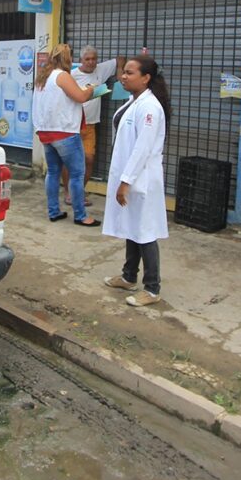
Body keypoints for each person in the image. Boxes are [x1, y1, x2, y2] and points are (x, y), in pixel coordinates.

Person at [102, 54, 172, 306]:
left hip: (140, 179)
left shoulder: (150, 108)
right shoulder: (134, 101)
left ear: (146, 78)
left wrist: (126, 181)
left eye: (130, 73)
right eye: (124, 71)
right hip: (129, 175)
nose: (123, 76)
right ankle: (129, 276)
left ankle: (152, 289)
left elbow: (142, 148)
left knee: (145, 230)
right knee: (132, 227)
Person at [31, 43, 103, 227]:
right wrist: (92, 89)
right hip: (64, 132)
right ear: (66, 58)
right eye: (70, 56)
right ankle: (81, 216)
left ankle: (53, 211)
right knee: (77, 174)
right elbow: (80, 97)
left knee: (53, 172)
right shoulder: (62, 76)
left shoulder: (43, 77)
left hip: (46, 132)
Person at [65, 47, 125, 206]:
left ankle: (78, 191)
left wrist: (120, 74)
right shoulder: (71, 75)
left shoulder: (100, 70)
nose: (91, 62)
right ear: (81, 60)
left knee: (89, 159)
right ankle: (68, 193)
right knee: (69, 161)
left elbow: (120, 59)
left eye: (94, 58)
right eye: (87, 59)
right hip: (73, 124)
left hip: (90, 125)